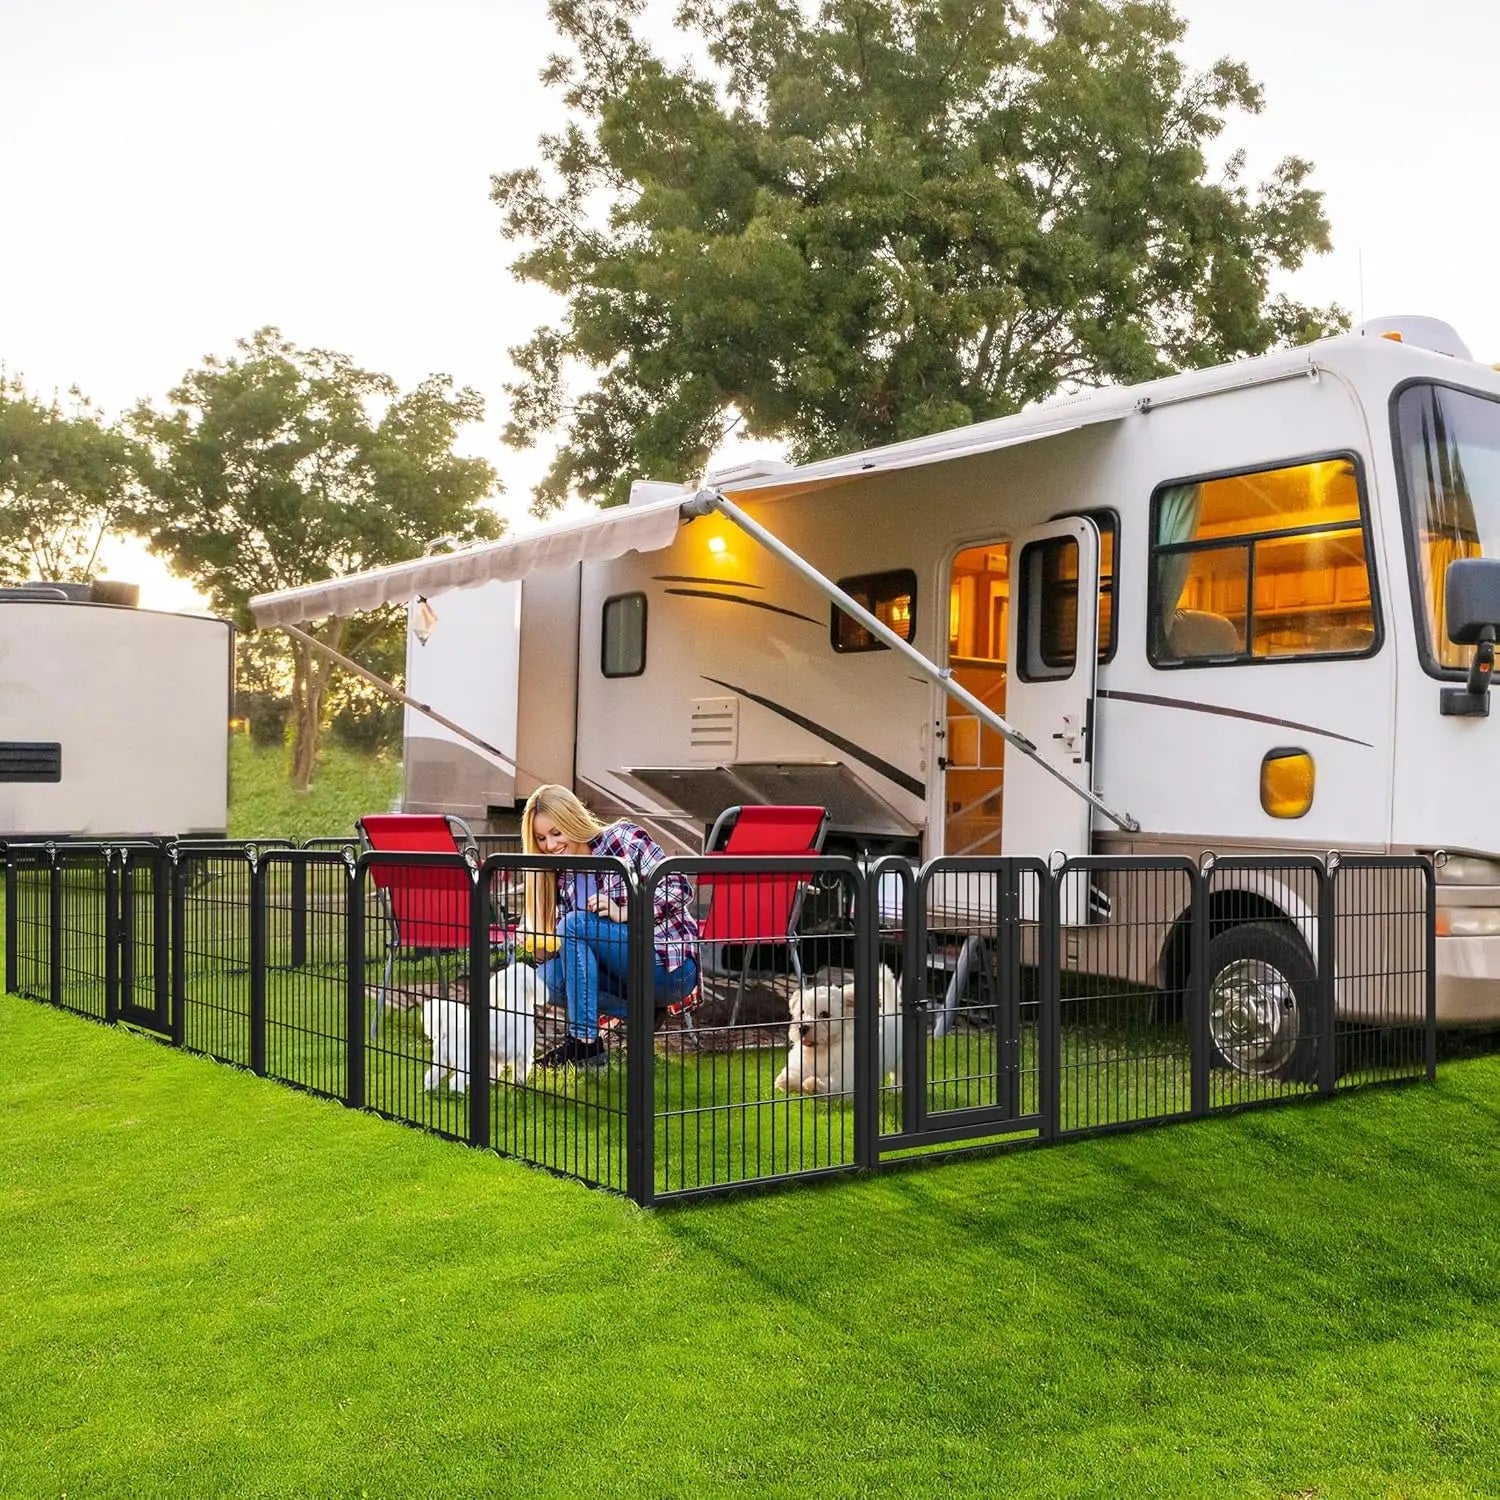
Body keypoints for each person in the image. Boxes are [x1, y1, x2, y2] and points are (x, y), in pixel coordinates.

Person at [521, 784, 699, 1068]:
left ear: (573, 820)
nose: (550, 846)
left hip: (667, 966)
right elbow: (575, 955)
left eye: (556, 833)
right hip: (621, 976)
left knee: (575, 924)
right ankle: (638, 1013)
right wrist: (542, 946)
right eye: (541, 838)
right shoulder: (562, 877)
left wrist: (626, 911)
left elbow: (678, 886)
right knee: (545, 980)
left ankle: (584, 1043)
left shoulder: (621, 839)